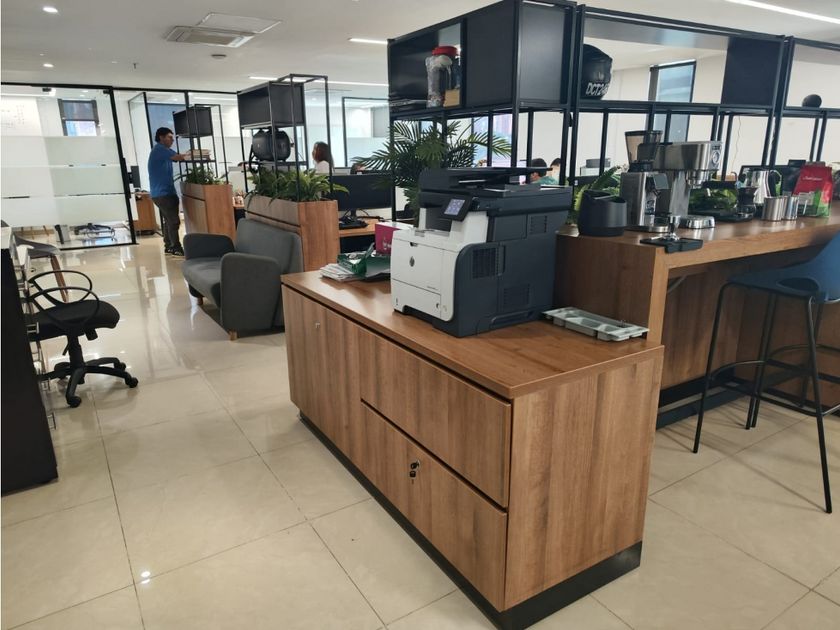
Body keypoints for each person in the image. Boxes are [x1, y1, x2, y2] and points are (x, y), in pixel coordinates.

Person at [148, 127, 186, 256]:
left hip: (161, 193)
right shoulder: (160, 149)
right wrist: (194, 154)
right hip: (163, 193)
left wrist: (184, 156)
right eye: (170, 137)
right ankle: (176, 247)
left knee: (168, 221)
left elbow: (176, 157)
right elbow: (178, 157)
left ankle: (169, 246)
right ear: (161, 137)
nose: (172, 140)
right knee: (174, 221)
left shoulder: (164, 150)